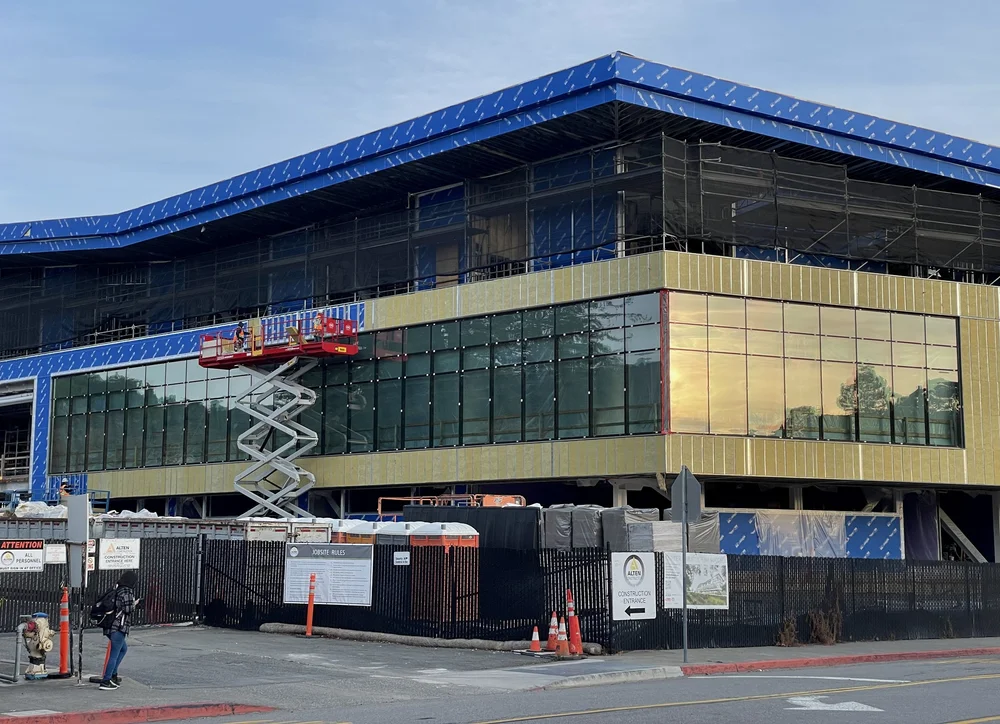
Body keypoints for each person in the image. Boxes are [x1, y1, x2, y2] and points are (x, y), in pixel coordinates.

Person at [99, 571, 140, 690]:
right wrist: (134, 604)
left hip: (110, 625)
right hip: (119, 626)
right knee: (115, 653)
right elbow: (127, 609)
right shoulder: (127, 591)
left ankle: (113, 675)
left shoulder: (117, 589)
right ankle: (106, 680)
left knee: (123, 649)